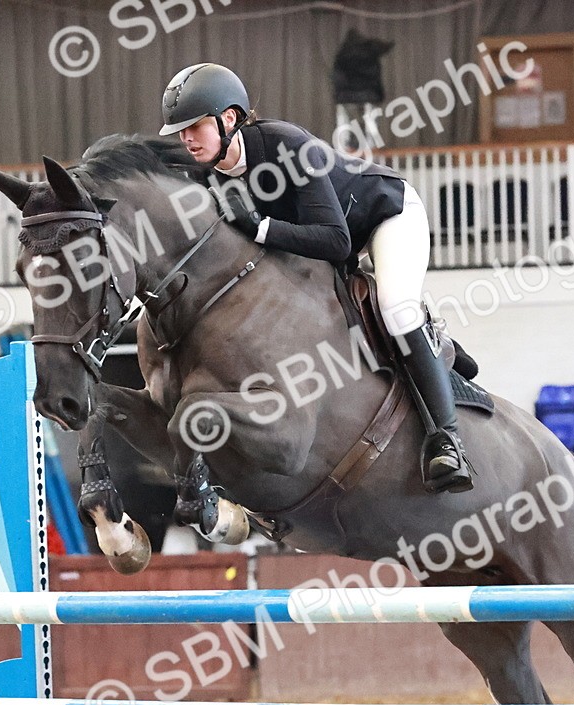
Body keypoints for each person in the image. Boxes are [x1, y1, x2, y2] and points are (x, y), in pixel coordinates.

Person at [159, 62, 472, 494]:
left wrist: (259, 227)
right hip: (317, 246)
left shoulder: (286, 145)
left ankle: (447, 439)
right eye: (180, 130)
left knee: (396, 309)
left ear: (228, 118)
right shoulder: (204, 174)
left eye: (194, 126)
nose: (186, 139)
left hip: (383, 217)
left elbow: (337, 241)